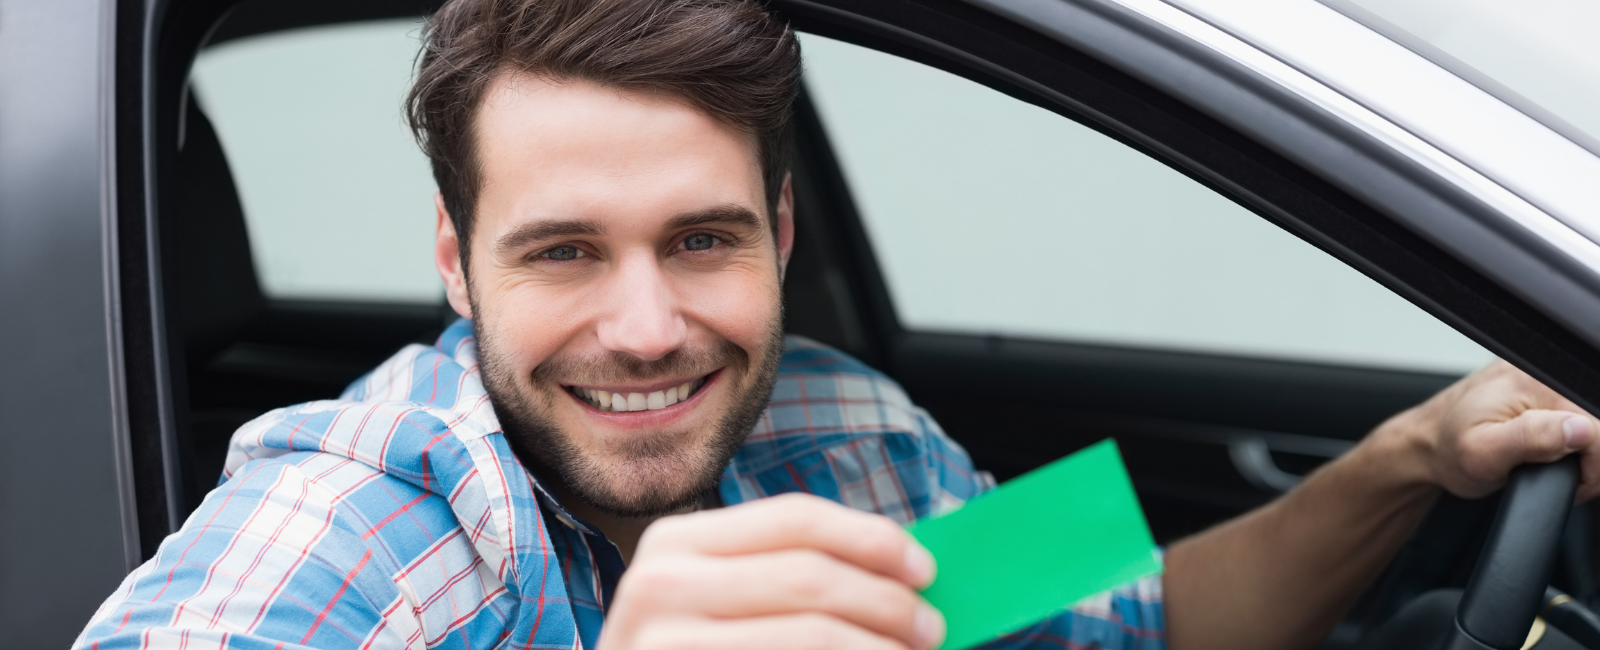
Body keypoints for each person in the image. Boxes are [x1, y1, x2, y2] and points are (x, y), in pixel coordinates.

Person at [75, 0, 1600, 648]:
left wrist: (1406, 457)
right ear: (456, 266)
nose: (649, 324)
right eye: (560, 252)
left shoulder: (846, 432)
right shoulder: (349, 535)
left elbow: (1144, 612)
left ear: (780, 237)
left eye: (702, 239)